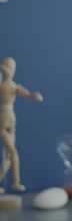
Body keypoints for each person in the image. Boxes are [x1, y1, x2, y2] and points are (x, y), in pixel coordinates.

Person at [0, 57, 43, 193]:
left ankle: (15, 182)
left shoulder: (15, 86)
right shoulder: (1, 86)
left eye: (12, 68)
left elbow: (27, 94)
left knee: (8, 156)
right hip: (2, 118)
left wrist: (34, 95)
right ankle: (16, 181)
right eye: (7, 67)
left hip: (11, 119)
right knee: (12, 153)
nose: (10, 70)